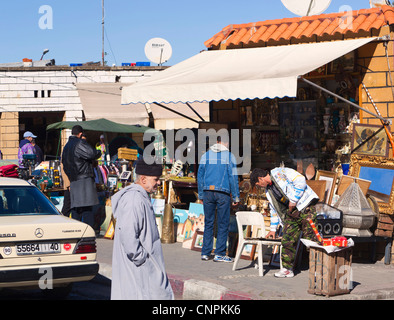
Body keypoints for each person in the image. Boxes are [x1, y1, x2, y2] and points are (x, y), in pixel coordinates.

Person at [110, 158, 174, 300]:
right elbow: (129, 237)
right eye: (156, 179)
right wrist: (143, 260)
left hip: (141, 269)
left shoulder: (140, 197)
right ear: (143, 179)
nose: (159, 183)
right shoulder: (134, 200)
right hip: (137, 271)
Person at [250, 167, 320, 278]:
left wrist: (293, 200)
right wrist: (273, 229)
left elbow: (300, 180)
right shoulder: (269, 191)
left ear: (261, 178)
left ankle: (319, 269)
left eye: (258, 184)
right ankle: (287, 269)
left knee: (311, 239)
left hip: (305, 207)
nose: (260, 187)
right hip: (291, 213)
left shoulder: (280, 172)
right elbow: (274, 209)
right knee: (287, 239)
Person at [197, 136, 240, 263]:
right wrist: (236, 196)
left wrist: (201, 195)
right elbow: (233, 177)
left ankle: (205, 252)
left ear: (216, 142)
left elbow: (200, 176)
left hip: (207, 192)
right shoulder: (229, 156)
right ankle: (219, 253)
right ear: (225, 143)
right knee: (223, 223)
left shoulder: (206, 155)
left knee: (209, 222)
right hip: (223, 193)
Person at [61, 125, 101, 228]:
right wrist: (99, 152)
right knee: (87, 209)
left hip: (73, 180)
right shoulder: (79, 143)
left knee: (76, 209)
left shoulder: (66, 146)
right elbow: (92, 153)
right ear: (80, 134)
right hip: (84, 179)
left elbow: (64, 164)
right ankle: (88, 233)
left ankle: (76, 230)